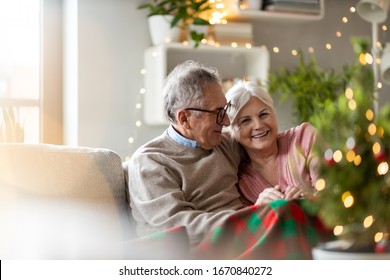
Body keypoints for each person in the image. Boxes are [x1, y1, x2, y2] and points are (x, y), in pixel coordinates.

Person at [126, 60, 330, 259]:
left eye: (225, 110)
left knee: (295, 211)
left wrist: (307, 140)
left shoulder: (223, 143)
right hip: (197, 250)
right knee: (285, 215)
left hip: (243, 235)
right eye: (217, 113)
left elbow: (264, 137)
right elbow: (178, 229)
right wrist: (255, 217)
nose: (225, 121)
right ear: (184, 118)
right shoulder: (151, 162)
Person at [225, 80, 320, 206]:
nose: (258, 125)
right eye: (245, 121)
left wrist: (308, 198)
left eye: (263, 114)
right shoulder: (240, 182)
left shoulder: (304, 138)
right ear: (232, 132)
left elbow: (336, 191)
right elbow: (245, 224)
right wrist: (258, 208)